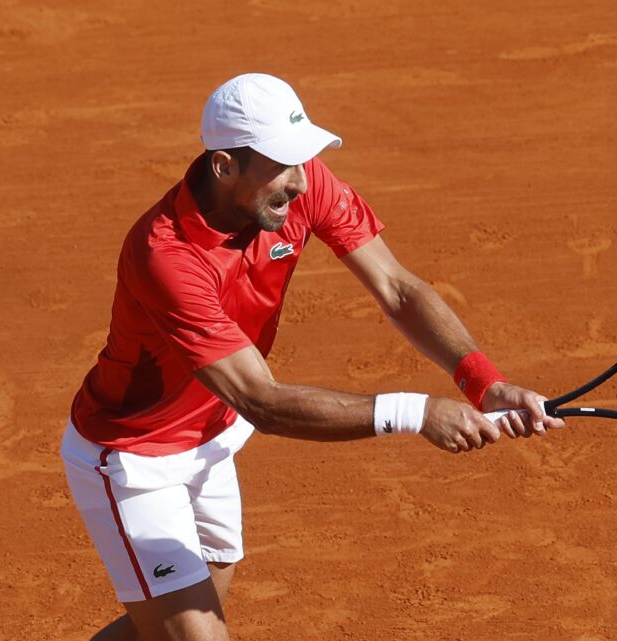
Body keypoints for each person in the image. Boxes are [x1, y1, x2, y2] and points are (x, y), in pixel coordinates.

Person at [60, 72, 564, 641]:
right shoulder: (166, 257)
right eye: (282, 164)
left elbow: (397, 288)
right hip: (135, 458)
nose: (301, 182)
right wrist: (417, 412)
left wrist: (483, 381)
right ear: (223, 166)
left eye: (304, 160)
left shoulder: (297, 184)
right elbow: (262, 402)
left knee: (157, 628)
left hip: (212, 438)